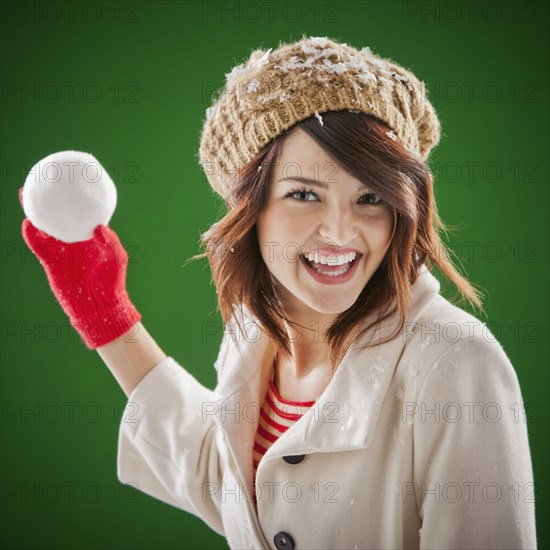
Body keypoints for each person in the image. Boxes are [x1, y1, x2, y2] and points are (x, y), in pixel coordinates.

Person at [20, 36, 536, 549]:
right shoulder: (255, 328)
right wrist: (109, 317)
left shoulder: (456, 363)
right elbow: (237, 488)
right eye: (304, 194)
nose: (339, 232)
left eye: (370, 196)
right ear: (250, 208)